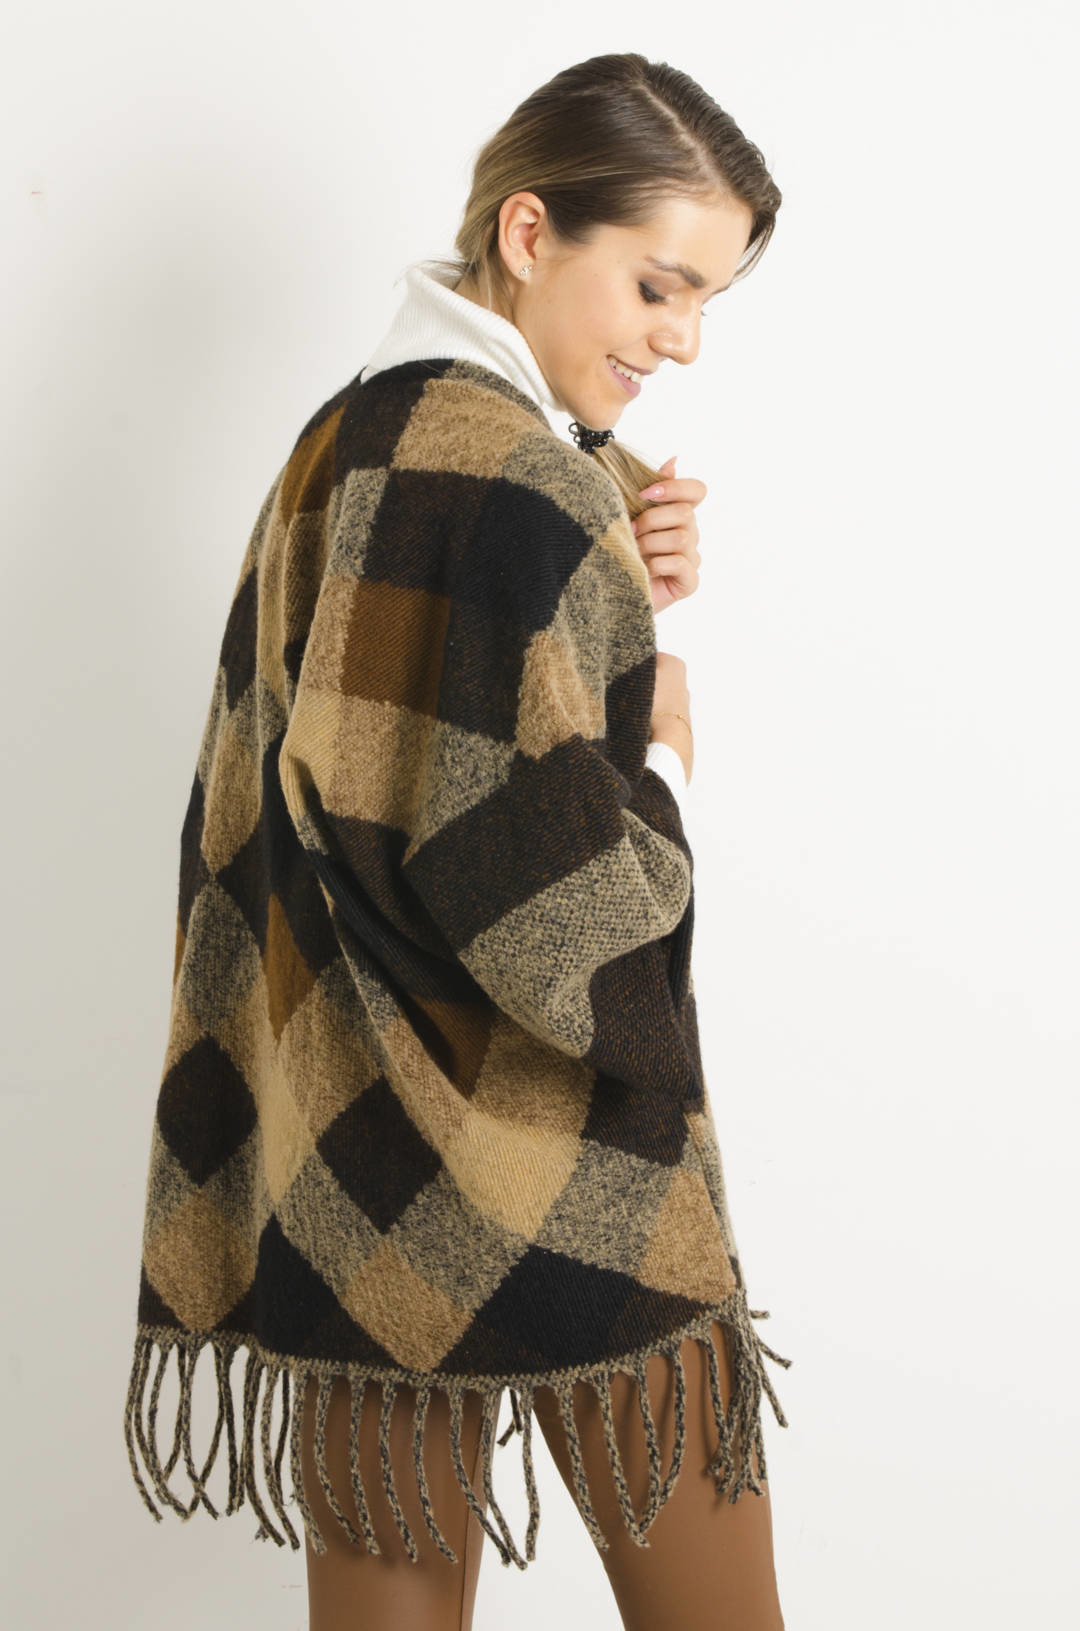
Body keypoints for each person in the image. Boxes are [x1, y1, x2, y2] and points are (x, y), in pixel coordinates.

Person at [122, 49, 788, 1631]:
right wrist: (659, 735)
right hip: (558, 1160)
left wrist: (609, 578)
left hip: (351, 1158)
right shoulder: (514, 484)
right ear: (528, 231)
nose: (683, 339)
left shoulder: (347, 443)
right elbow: (552, 913)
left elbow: (373, 773)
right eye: (659, 286)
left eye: (707, 302)